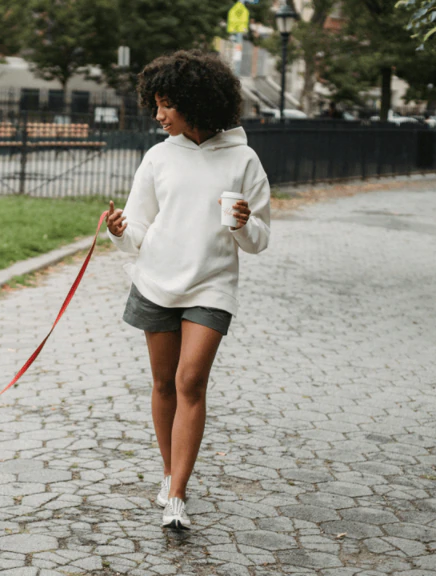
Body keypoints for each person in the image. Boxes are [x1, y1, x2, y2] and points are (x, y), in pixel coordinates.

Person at [104, 49, 271, 530]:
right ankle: (167, 472)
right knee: (162, 384)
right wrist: (118, 230)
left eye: (166, 105)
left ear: (195, 103)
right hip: (156, 282)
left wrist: (243, 225)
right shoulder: (158, 157)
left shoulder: (243, 159)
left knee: (190, 382)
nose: (158, 116)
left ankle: (177, 495)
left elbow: (260, 239)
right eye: (155, 104)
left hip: (212, 287)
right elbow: (135, 232)